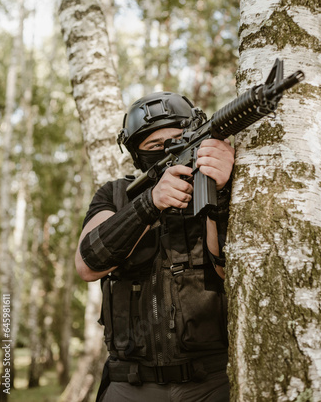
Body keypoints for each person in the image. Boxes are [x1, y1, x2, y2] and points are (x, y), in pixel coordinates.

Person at [75, 91, 235, 402]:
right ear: (137, 155)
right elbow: (88, 264)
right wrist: (151, 203)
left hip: (212, 380)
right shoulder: (115, 194)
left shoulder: (216, 184)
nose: (168, 150)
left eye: (178, 139)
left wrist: (221, 193)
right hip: (130, 383)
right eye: (154, 146)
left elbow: (228, 273)